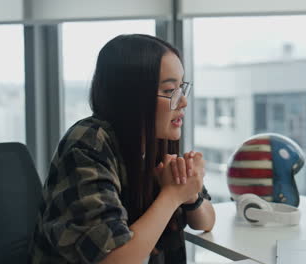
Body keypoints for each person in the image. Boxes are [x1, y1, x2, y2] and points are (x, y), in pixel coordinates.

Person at [29, 34, 216, 264]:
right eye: (169, 91)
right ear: (133, 97)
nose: (183, 102)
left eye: (181, 88)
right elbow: (113, 259)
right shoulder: (88, 143)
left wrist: (190, 193)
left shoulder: (156, 140)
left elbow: (206, 221)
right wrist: (172, 196)